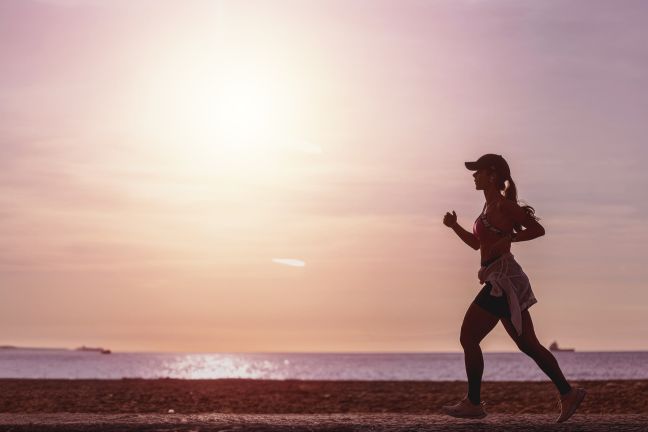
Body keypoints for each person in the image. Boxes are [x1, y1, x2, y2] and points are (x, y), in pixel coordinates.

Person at [441, 154, 585, 423]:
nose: (474, 176)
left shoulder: (504, 206)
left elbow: (538, 229)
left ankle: (473, 402)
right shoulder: (486, 209)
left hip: (502, 281)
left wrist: (511, 237)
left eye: (478, 172)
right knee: (528, 344)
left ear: (492, 175)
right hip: (498, 278)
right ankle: (568, 393)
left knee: (468, 337)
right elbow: (476, 244)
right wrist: (454, 227)